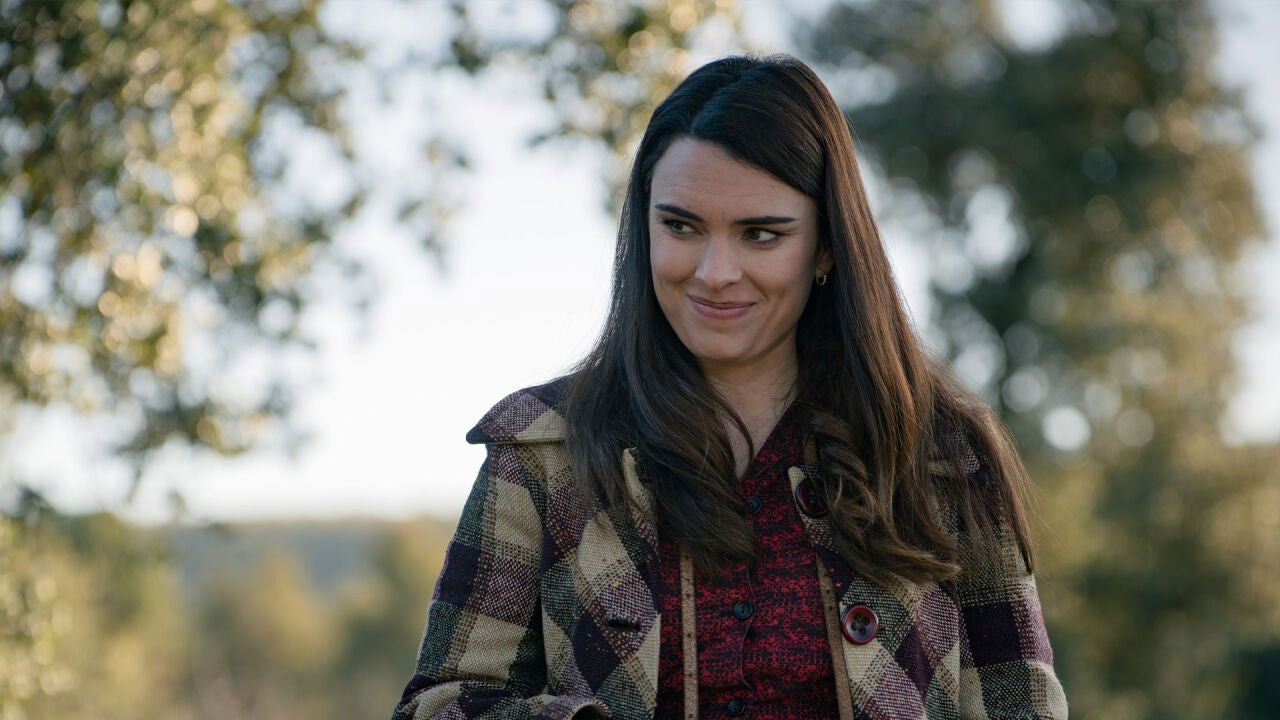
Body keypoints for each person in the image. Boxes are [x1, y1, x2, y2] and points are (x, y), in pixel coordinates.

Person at [391, 53, 1068, 720]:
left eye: (760, 235)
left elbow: (1023, 707)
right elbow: (441, 706)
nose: (715, 272)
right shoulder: (545, 453)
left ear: (826, 246)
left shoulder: (942, 454)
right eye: (681, 226)